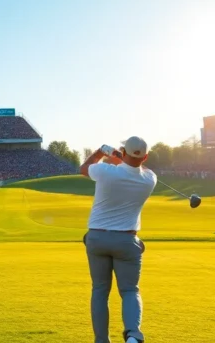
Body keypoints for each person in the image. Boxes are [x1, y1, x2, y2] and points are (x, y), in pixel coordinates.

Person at [79, 137, 156, 343]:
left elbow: (84, 168)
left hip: (97, 238)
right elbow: (135, 167)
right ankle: (133, 335)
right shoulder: (150, 179)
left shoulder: (105, 171)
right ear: (145, 157)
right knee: (130, 291)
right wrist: (122, 158)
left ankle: (101, 340)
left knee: (100, 290)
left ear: (123, 151)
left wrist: (100, 152)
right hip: (126, 241)